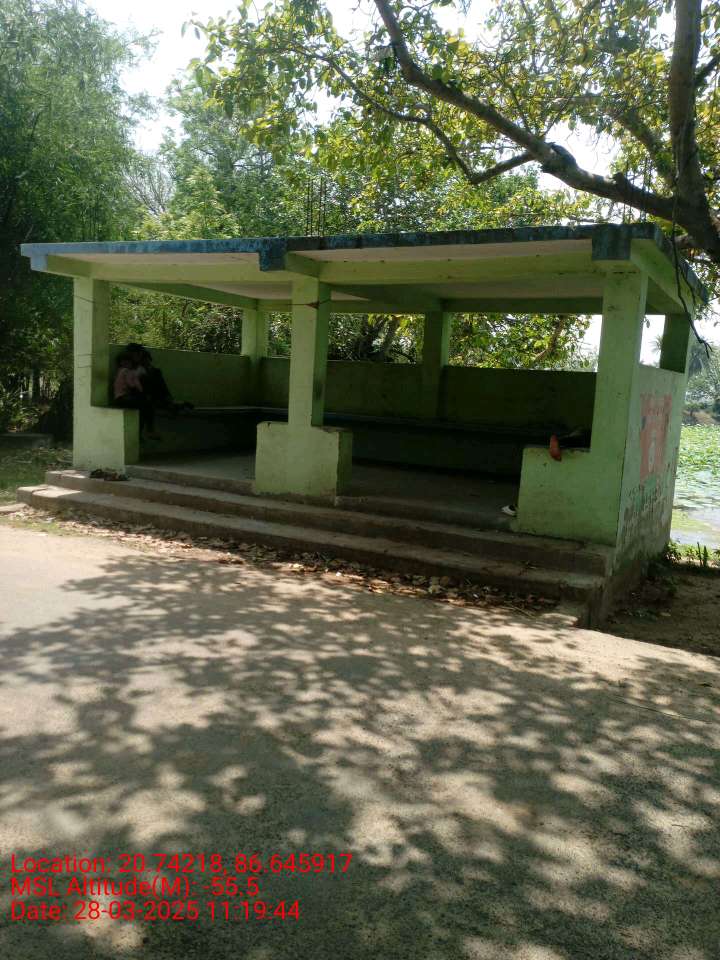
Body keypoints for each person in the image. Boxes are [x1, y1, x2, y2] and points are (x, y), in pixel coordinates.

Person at [112, 348, 158, 438]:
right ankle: (143, 432)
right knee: (144, 407)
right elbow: (131, 384)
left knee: (145, 407)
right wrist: (140, 391)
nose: (127, 364)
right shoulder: (125, 371)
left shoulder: (122, 371)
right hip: (123, 398)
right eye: (125, 362)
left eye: (128, 362)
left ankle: (143, 432)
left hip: (122, 397)